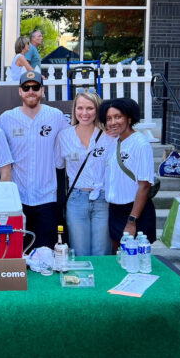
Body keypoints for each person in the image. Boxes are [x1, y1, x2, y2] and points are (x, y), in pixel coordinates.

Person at [0, 70, 67, 249]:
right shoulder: (6, 118)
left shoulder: (56, 116)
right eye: (26, 88)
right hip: (17, 198)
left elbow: (74, 138)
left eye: (35, 87)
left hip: (47, 197)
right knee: (17, 253)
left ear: (42, 90)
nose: (31, 91)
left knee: (46, 253)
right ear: (20, 91)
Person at [56, 91, 115, 256]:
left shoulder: (110, 136)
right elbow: (58, 165)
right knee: (79, 251)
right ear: (74, 110)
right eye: (80, 108)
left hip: (103, 199)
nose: (84, 113)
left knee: (102, 252)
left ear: (98, 110)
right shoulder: (64, 136)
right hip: (76, 199)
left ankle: (104, 282)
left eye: (90, 108)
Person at [100, 97, 157, 248]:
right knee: (117, 260)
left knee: (136, 259)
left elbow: (144, 185)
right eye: (109, 118)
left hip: (134, 212)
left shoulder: (140, 143)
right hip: (115, 211)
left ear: (129, 118)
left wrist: (132, 221)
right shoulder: (114, 142)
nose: (113, 122)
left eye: (118, 117)